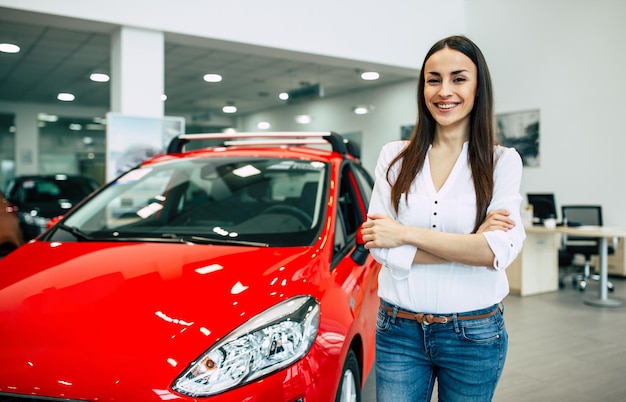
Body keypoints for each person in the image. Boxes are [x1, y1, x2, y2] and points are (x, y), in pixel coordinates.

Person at [361, 35, 526, 402]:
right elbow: (377, 243)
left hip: (474, 333)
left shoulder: (502, 162)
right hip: (398, 330)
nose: (444, 90)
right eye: (433, 79)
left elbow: (497, 252)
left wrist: (403, 234)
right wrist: (470, 243)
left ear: (478, 86)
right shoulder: (394, 156)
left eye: (458, 78)